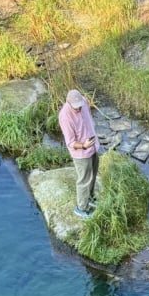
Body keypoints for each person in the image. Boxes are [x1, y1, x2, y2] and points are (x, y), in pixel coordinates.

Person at [59, 88, 101, 219]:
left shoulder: (83, 101)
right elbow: (70, 142)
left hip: (93, 146)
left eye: (80, 106)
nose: (78, 109)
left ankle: (90, 197)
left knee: (93, 174)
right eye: (76, 107)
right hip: (81, 153)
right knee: (84, 180)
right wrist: (83, 145)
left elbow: (87, 116)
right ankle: (81, 208)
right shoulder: (65, 116)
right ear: (68, 103)